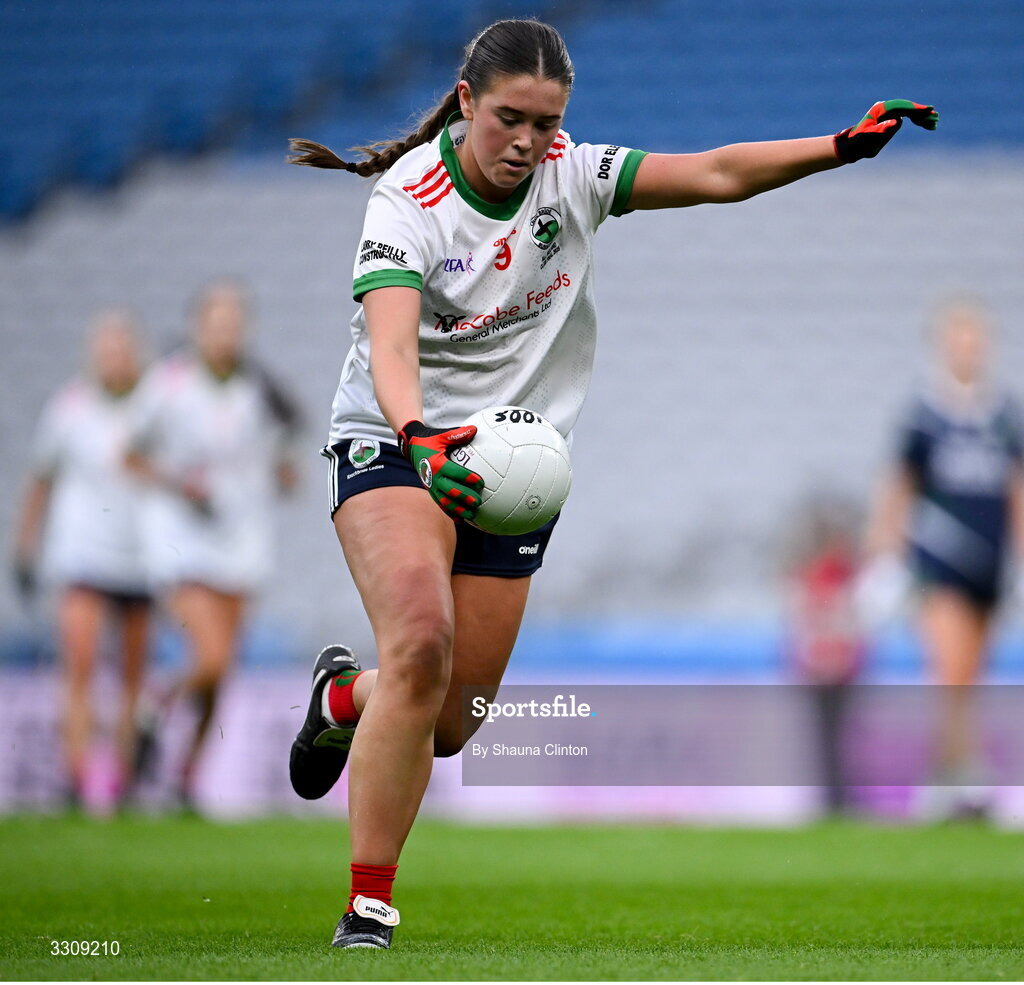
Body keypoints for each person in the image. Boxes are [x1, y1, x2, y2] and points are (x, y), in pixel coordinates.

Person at [285, 17, 937, 949]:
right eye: (511, 117)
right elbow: (390, 342)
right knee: (422, 644)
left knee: (452, 722)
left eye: (547, 123)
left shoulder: (573, 177)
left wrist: (839, 147)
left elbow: (715, 172)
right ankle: (369, 905)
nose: (528, 141)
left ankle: (345, 700)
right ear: (467, 101)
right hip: (398, 441)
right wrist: (418, 432)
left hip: (513, 468)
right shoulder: (407, 198)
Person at [126, 280, 302, 810]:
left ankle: (185, 778)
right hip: (180, 536)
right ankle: (153, 707)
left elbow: (279, 460)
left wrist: (284, 473)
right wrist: (179, 483)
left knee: (221, 672)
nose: (225, 332)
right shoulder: (168, 382)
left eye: (233, 322)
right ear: (197, 327)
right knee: (211, 656)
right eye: (215, 322)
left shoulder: (259, 391)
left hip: (242, 539)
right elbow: (129, 454)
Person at [862, 297, 1024, 818]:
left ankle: (942, 779)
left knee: (969, 677)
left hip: (989, 561)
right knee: (951, 670)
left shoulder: (1004, 417)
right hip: (939, 559)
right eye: (959, 339)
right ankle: (970, 775)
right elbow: (899, 488)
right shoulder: (926, 417)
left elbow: (1016, 489)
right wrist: (883, 557)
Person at [12, 310, 152, 810]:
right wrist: (24, 547)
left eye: (122, 349)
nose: (114, 359)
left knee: (134, 676)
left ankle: (124, 780)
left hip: (139, 559)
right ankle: (75, 777)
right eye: (106, 349)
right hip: (82, 555)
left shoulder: (152, 408)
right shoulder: (68, 408)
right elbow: (41, 481)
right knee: (81, 664)